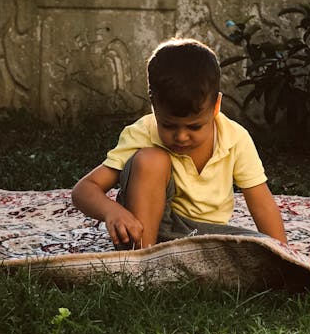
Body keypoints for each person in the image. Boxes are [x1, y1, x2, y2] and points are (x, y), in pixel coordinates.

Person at [71, 37, 287, 249]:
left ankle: (186, 259)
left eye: (194, 127)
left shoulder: (235, 138)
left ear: (216, 105)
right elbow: (84, 190)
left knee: (262, 246)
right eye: (168, 126)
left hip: (205, 235)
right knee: (152, 159)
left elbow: (262, 204)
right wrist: (113, 212)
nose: (181, 136)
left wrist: (283, 254)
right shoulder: (142, 133)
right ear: (153, 104)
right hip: (147, 231)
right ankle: (143, 265)